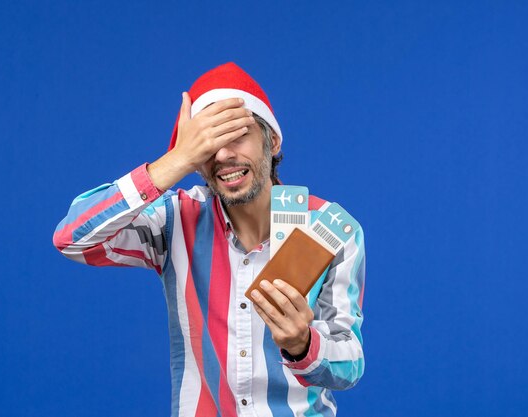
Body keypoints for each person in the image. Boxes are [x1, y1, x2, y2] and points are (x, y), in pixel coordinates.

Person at [53, 62, 366, 417]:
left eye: (237, 135)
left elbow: (350, 362)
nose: (222, 155)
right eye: (207, 143)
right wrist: (176, 160)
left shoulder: (331, 227)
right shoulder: (173, 221)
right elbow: (71, 238)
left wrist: (303, 344)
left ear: (272, 141)